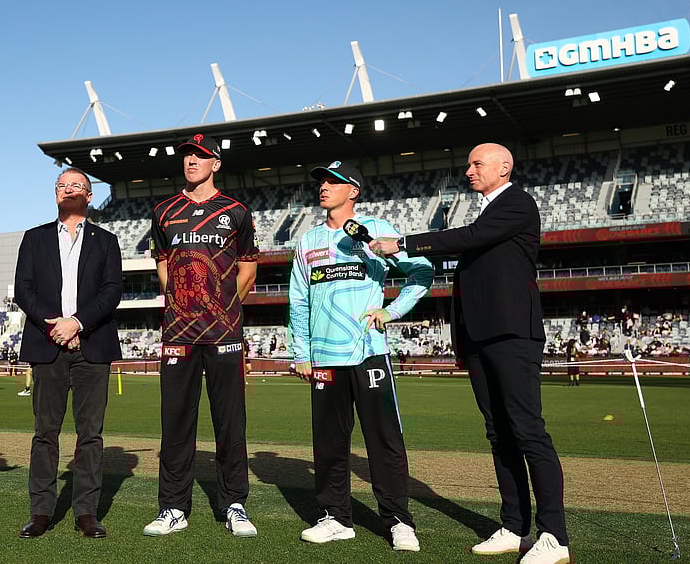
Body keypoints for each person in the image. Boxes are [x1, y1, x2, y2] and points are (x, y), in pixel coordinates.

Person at [370, 143, 570, 564]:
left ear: (505, 166)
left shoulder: (517, 203)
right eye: (468, 164)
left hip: (512, 333)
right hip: (481, 336)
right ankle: (514, 526)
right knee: (499, 434)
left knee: (528, 431)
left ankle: (554, 536)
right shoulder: (490, 211)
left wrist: (403, 243)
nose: (469, 171)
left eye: (477, 164)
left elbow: (471, 238)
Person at [288, 161, 433, 552]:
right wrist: (301, 352)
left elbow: (421, 273)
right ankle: (335, 517)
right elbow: (298, 299)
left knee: (384, 441)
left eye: (333, 182)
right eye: (321, 181)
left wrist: (392, 311)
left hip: (369, 353)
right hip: (324, 357)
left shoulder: (377, 231)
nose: (324, 187)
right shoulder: (308, 241)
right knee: (329, 443)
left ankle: (399, 521)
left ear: (353, 190)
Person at [143, 132, 260, 539]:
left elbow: (248, 269)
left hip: (224, 333)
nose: (191, 161)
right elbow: (163, 264)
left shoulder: (237, 212)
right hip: (178, 332)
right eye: (187, 156)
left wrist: (224, 305)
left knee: (230, 424)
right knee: (175, 423)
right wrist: (181, 300)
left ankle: (235, 504)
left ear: (216, 164)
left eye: (200, 156)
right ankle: (174, 507)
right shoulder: (163, 211)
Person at [13, 167, 123, 539]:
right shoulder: (34, 238)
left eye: (76, 185)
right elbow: (23, 290)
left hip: (93, 344)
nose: (68, 189)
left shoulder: (107, 241)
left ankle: (86, 512)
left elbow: (112, 292)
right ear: (55, 194)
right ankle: (41, 511)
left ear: (89, 196)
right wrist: (54, 325)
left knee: (90, 435)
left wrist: (76, 323)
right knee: (45, 433)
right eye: (61, 185)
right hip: (47, 346)